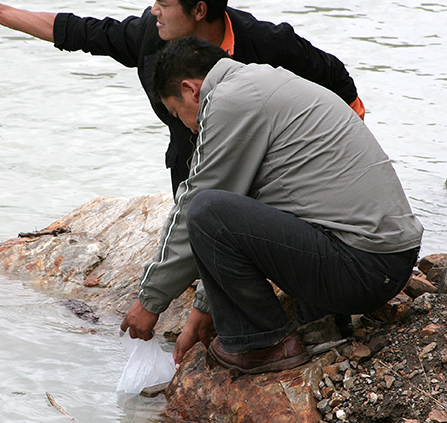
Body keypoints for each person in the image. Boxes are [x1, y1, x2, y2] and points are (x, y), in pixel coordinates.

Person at [0, 0, 365, 194]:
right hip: (191, 163)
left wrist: (347, 154)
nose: (153, 11)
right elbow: (82, 31)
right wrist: (1, 13)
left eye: (163, 3)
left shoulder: (265, 43)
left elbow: (336, 79)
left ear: (199, 10)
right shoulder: (152, 35)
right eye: (154, 1)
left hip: (265, 160)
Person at [119, 37, 422, 373]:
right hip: (385, 262)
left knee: (206, 209)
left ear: (191, 90)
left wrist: (150, 300)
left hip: (363, 268)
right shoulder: (262, 82)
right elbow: (245, 211)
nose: (189, 127)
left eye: (178, 114)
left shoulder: (230, 100)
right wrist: (204, 308)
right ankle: (320, 324)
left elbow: (199, 204)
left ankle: (263, 342)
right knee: (227, 206)